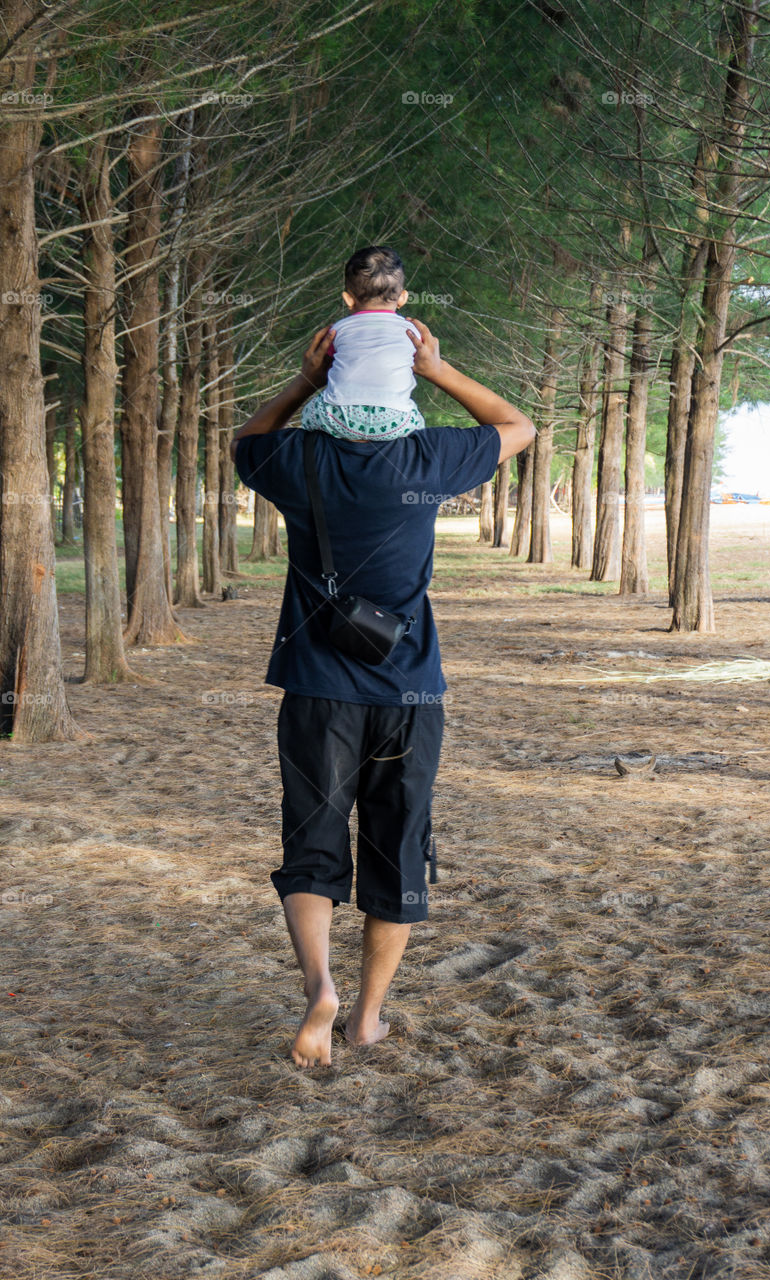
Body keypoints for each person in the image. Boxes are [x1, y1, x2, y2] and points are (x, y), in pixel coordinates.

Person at [232, 313, 536, 1068]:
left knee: (312, 842)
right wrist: (439, 369)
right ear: (401, 382)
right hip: (411, 694)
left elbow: (246, 439)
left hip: (316, 687)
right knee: (395, 846)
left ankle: (319, 989)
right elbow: (516, 427)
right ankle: (366, 1019)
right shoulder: (429, 456)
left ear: (335, 375)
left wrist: (304, 378)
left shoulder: (298, 460)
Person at [300, 245, 425, 442]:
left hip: (339, 418)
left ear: (348, 299)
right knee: (417, 419)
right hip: (395, 421)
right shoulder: (413, 332)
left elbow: (328, 362)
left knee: (308, 414)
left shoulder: (337, 330)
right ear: (403, 298)